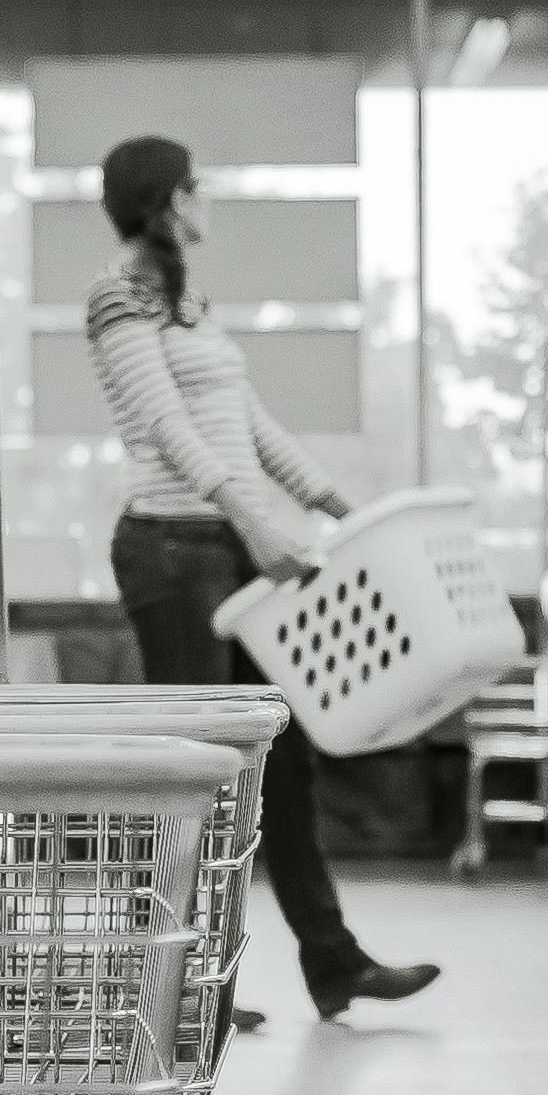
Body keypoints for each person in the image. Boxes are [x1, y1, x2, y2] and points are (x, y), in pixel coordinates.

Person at [85, 133, 437, 1022]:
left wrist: (336, 504)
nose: (207, 199)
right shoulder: (116, 298)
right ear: (168, 200)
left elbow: (248, 423)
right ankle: (170, 988)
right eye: (196, 187)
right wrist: (253, 521)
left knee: (287, 762)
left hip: (232, 549)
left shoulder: (189, 302)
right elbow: (166, 426)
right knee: (194, 778)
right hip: (171, 548)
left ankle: (334, 962)